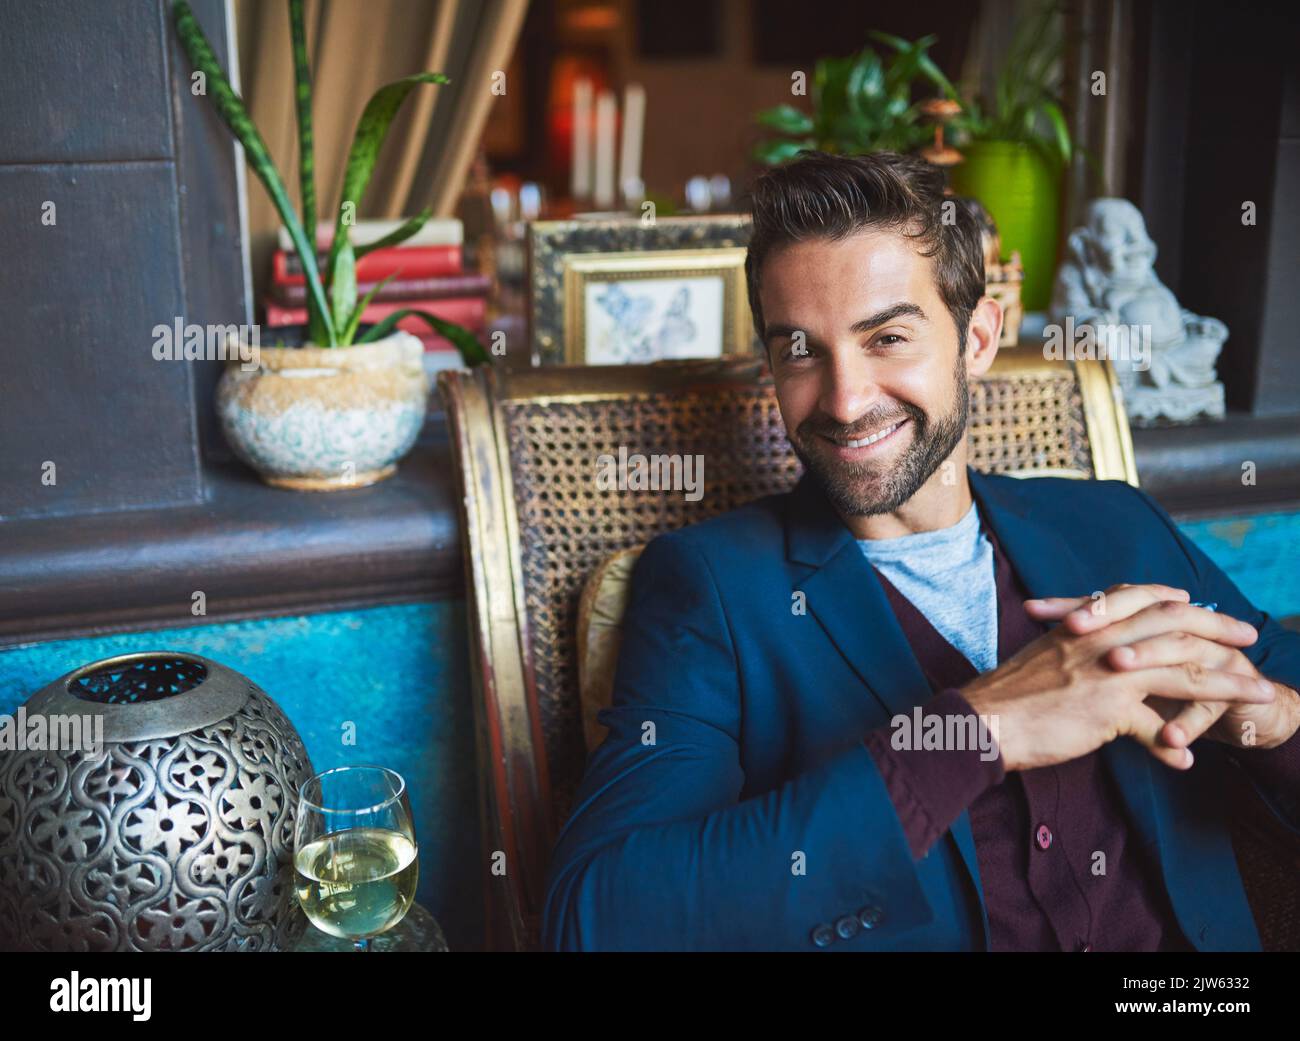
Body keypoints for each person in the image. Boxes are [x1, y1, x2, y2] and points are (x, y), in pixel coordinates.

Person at [541, 151, 1300, 952]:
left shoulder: (1115, 523)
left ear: (976, 338)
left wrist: (1278, 721)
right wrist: (978, 729)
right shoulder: (713, 591)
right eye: (801, 350)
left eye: (888, 337)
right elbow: (595, 917)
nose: (845, 399)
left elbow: (1275, 696)